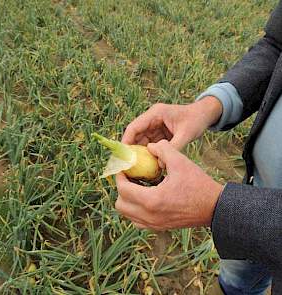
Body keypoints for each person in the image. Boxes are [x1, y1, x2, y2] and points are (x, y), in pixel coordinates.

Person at [115, 1, 282, 294]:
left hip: (249, 213)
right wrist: (209, 107)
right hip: (252, 190)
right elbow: (276, 44)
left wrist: (221, 208)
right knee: (237, 281)